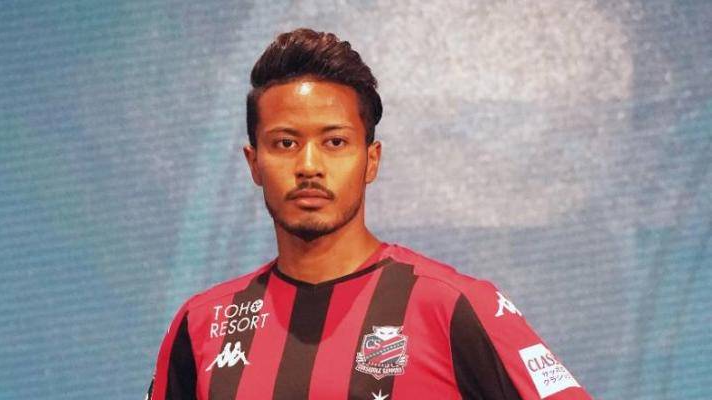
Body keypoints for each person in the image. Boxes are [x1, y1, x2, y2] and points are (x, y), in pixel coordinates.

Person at [146, 28, 593, 400]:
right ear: (254, 163)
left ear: (371, 160)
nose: (308, 165)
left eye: (334, 142)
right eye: (285, 143)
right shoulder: (201, 325)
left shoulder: (451, 306)